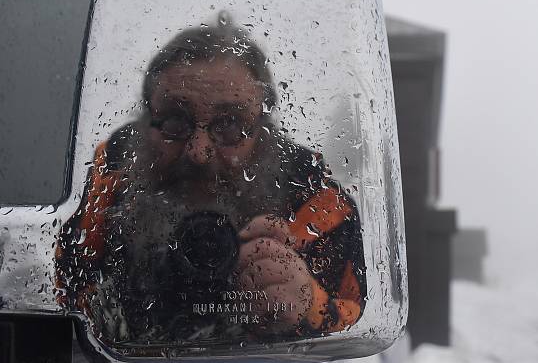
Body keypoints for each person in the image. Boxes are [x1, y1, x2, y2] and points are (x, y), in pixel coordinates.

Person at [55, 20, 366, 346]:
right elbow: (55, 290)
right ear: (147, 121)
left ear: (262, 132)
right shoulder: (111, 175)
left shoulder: (316, 203)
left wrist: (307, 306)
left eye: (230, 125)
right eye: (175, 121)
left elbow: (361, 333)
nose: (199, 152)